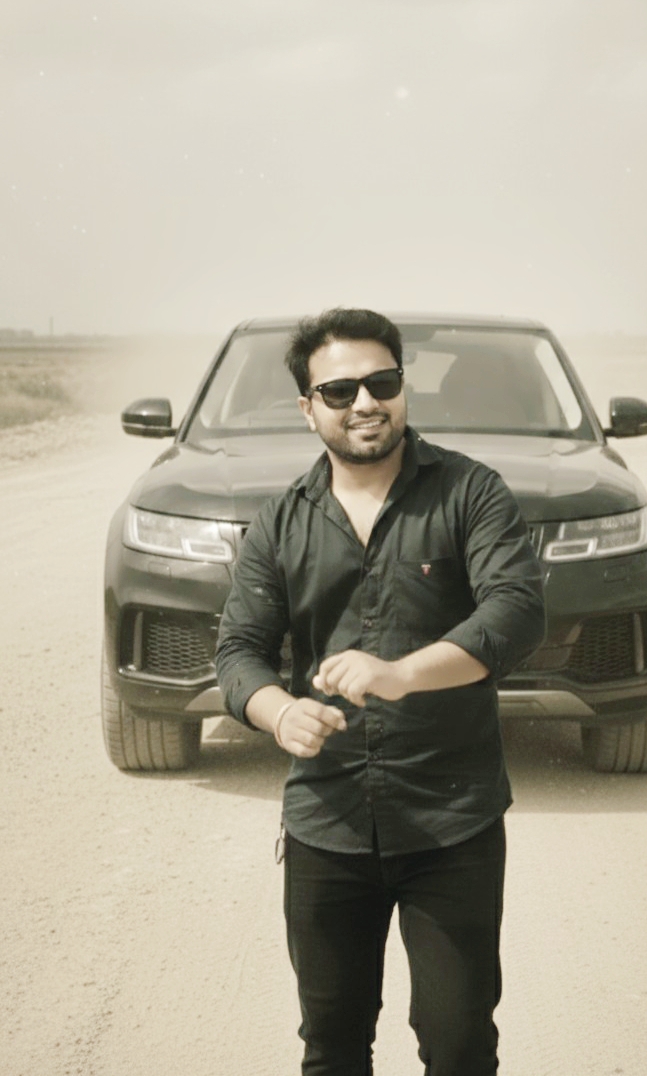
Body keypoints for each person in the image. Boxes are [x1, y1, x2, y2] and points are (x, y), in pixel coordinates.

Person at [215, 307, 546, 1076]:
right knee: (332, 1046)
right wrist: (279, 712)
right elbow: (238, 652)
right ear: (308, 408)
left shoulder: (471, 492)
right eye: (339, 391)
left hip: (451, 823)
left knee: (459, 1045)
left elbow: (515, 611)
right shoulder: (280, 522)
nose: (365, 402)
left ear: (403, 388)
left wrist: (400, 673)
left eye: (382, 383)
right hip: (325, 823)